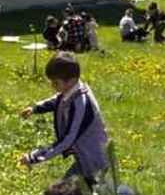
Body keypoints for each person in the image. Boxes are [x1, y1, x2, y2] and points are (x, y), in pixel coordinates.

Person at [19, 53, 110, 187]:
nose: (52, 86)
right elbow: (58, 100)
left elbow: (68, 139)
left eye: (56, 83)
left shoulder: (81, 104)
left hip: (94, 159)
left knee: (63, 192)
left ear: (71, 81)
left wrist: (33, 157)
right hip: (86, 155)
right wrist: (36, 108)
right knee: (78, 191)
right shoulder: (74, 90)